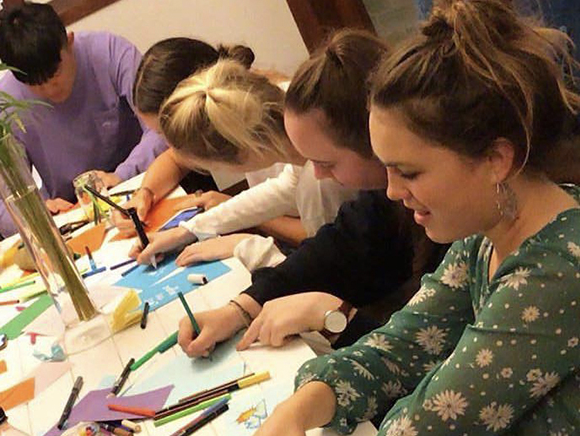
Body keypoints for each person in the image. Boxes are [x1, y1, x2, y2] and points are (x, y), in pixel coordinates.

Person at [202, 0, 580, 436]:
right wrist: (297, 407)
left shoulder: (558, 271)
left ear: (496, 160)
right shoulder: (486, 238)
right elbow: (397, 347)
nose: (394, 191)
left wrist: (359, 390)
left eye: (408, 171)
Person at [176, 29, 447, 353]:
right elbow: (337, 246)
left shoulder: (457, 229)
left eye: (326, 163)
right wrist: (242, 308)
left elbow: (430, 361)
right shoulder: (391, 201)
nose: (316, 174)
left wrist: (332, 315)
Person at [130, 60, 358, 271]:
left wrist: (245, 245)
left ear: (238, 155)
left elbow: (332, 272)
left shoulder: (320, 178)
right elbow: (285, 187)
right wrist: (189, 230)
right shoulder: (293, 111)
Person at [0, 2, 168, 236]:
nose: (49, 89)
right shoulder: (7, 101)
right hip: (74, 217)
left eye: (54, 74)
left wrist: (122, 175)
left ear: (69, 41)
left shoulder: (111, 52)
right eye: (34, 84)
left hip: (144, 184)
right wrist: (36, 213)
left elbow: (163, 127)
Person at [118, 37, 291, 231]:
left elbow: (322, 233)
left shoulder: (290, 127)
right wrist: (145, 193)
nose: (170, 145)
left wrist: (232, 211)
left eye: (166, 133)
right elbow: (175, 160)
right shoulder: (241, 111)